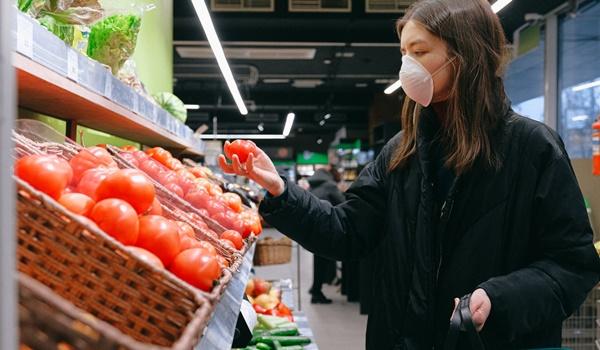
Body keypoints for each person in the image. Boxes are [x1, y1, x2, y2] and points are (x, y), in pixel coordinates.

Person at [218, 0, 600, 348]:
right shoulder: (403, 150)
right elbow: (348, 232)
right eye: (403, 52)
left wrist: (499, 298)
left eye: (419, 52)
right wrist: (281, 191)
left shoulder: (532, 148)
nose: (407, 66)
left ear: (464, 56)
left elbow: (572, 263)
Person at [306, 166, 345, 304]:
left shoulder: (313, 185)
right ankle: (317, 292)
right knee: (323, 261)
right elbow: (343, 203)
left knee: (319, 261)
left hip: (313, 227)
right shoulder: (330, 185)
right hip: (326, 228)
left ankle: (315, 288)